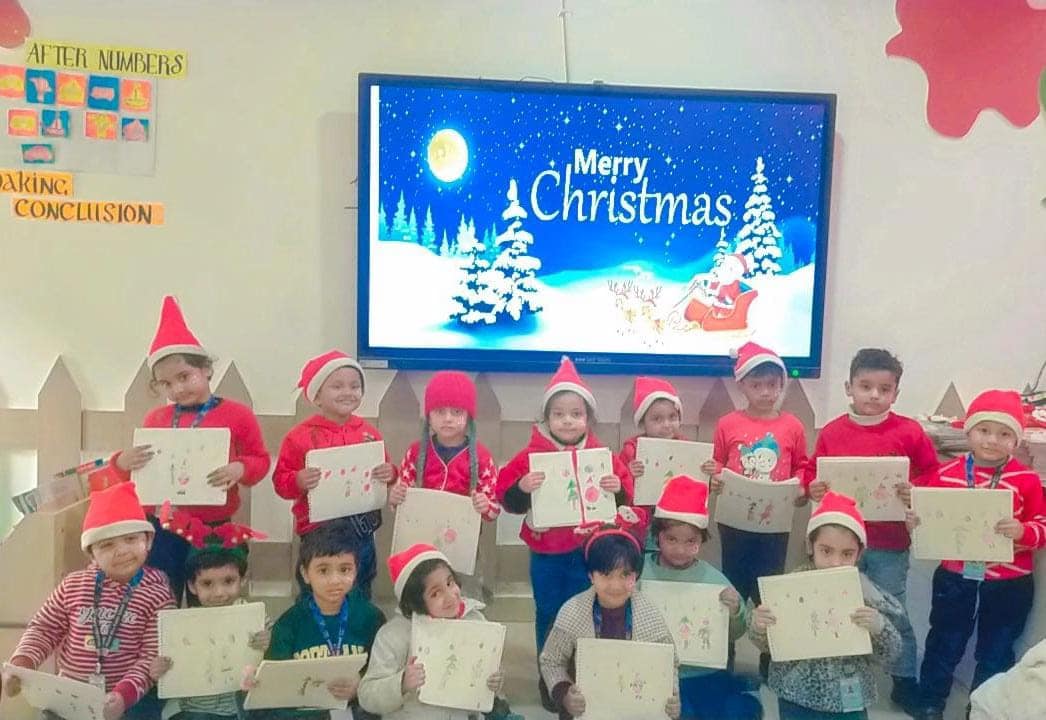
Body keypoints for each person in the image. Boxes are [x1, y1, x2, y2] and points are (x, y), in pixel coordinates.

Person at [110, 296, 270, 605]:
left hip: (213, 528)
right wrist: (123, 463)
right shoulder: (155, 419)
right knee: (161, 596)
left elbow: (260, 461)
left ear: (206, 369)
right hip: (163, 527)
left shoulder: (237, 415)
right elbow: (141, 478)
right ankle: (161, 638)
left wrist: (240, 468)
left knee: (211, 601)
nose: (178, 389)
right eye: (166, 384)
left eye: (184, 377)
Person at [803, 348, 939, 713]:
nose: (874, 395)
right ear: (849, 388)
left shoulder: (909, 432)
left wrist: (916, 490)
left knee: (892, 609)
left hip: (888, 544)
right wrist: (812, 487)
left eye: (884, 388)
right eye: (865, 386)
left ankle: (904, 680)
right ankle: (835, 673)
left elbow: (932, 472)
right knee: (834, 603)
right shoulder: (833, 432)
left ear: (896, 393)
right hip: (838, 541)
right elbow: (812, 473)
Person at [495, 356, 633, 710]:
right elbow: (506, 497)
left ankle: (584, 673)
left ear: (588, 418)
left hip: (590, 551)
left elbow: (625, 496)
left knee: (588, 610)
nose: (568, 420)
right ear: (546, 418)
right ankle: (551, 677)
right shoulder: (530, 455)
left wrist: (617, 487)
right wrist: (522, 487)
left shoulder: (601, 455)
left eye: (576, 413)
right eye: (558, 414)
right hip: (546, 553)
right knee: (549, 611)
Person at [909, 390, 1046, 720]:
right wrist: (917, 523)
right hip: (956, 576)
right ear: (968, 432)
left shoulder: (1027, 480)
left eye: (1004, 434)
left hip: (1009, 581)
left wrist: (1022, 531)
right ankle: (930, 702)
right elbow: (929, 519)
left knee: (996, 650)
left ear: (1016, 440)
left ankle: (983, 708)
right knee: (944, 640)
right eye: (984, 430)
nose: (992, 440)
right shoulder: (946, 474)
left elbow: (1042, 526)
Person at [2, 483, 176, 720]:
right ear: (92, 553)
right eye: (107, 544)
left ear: (148, 541)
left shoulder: (158, 594)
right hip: (68, 698)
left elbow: (150, 656)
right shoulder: (73, 585)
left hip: (128, 702)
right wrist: (21, 666)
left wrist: (122, 697)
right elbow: (44, 629)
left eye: (130, 539)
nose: (122, 551)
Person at [749, 492, 904, 719]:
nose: (835, 562)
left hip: (848, 696)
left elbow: (891, 653)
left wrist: (878, 626)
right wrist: (760, 626)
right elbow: (768, 646)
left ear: (859, 553)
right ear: (810, 546)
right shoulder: (790, 588)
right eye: (826, 550)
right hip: (796, 694)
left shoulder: (865, 593)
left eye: (847, 554)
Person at [272, 350, 398, 600]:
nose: (347, 392)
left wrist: (390, 473)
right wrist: (298, 480)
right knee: (317, 587)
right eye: (337, 386)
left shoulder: (369, 433)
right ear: (317, 396)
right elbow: (280, 482)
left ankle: (359, 621)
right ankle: (313, 622)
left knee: (360, 582)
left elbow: (384, 471)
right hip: (318, 531)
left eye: (355, 386)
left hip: (361, 529)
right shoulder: (300, 436)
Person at [539, 507, 681, 720]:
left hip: (636, 707)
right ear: (590, 575)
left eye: (625, 575)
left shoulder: (650, 614)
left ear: (636, 575)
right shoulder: (572, 612)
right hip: (587, 708)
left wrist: (671, 697)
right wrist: (566, 695)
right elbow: (552, 661)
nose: (616, 585)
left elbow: (669, 663)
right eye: (606, 574)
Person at [641, 476, 762, 720]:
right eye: (671, 539)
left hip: (702, 672)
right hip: (653, 671)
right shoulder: (640, 571)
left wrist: (735, 610)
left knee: (734, 711)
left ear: (701, 541)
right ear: (657, 537)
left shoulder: (714, 580)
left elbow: (735, 633)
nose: (680, 549)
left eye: (691, 542)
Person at [358, 543, 509, 719]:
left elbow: (484, 676)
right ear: (416, 602)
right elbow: (367, 695)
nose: (450, 596)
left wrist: (493, 682)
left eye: (450, 583)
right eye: (436, 593)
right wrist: (402, 683)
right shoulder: (394, 636)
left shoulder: (475, 620)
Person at [148, 514, 270, 719]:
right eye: (207, 584)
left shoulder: (254, 616)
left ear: (242, 580)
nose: (219, 593)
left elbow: (271, 659)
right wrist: (158, 670)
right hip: (194, 711)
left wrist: (267, 641)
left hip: (239, 710)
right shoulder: (182, 625)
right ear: (191, 586)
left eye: (228, 581)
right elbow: (169, 672)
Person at [265, 524, 386, 720]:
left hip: (356, 712)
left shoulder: (371, 618)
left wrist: (361, 685)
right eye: (323, 571)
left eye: (345, 569)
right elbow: (275, 685)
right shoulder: (288, 624)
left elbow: (384, 673)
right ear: (305, 573)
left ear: (356, 570)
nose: (335, 580)